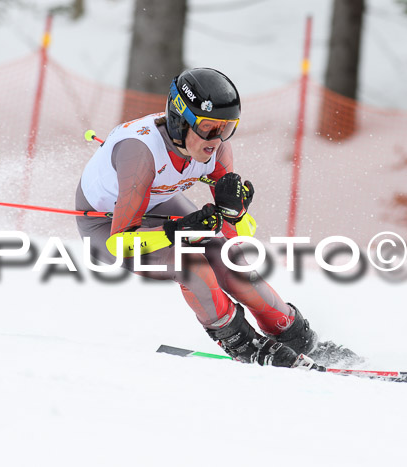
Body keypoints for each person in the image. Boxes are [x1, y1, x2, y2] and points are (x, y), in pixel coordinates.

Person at [75, 67, 322, 369]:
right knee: (191, 264)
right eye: (208, 128)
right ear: (181, 121)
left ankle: (294, 334)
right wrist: (175, 231)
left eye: (227, 128)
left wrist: (236, 212)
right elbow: (120, 243)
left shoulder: (217, 151)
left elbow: (236, 236)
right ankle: (241, 342)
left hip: (160, 202)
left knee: (224, 256)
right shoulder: (140, 153)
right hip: (106, 224)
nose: (217, 140)